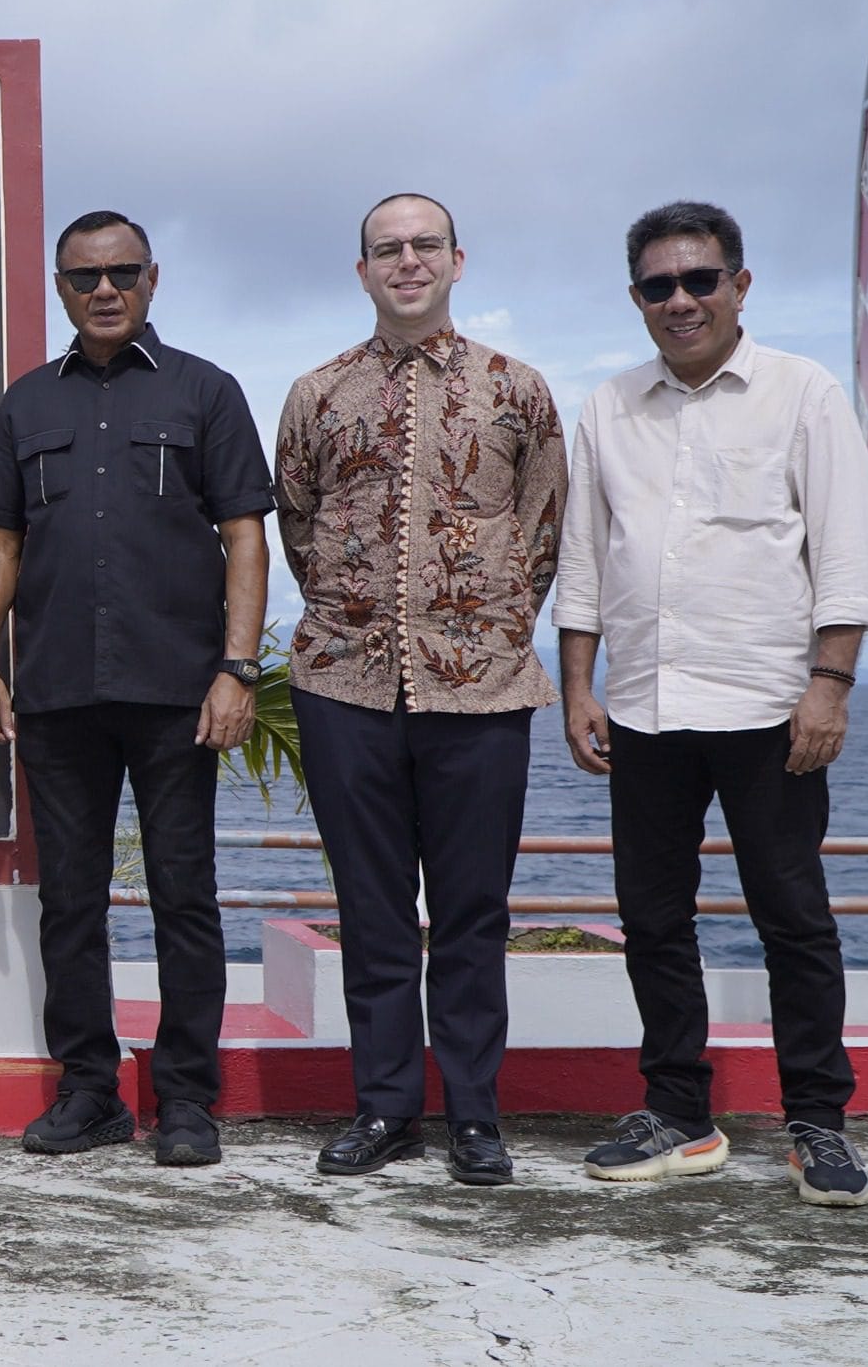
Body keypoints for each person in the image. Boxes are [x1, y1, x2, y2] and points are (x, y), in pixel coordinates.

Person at [555, 200, 868, 1207]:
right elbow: (585, 558)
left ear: (739, 286)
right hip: (644, 706)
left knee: (793, 918)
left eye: (699, 279)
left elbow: (849, 547)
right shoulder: (609, 406)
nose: (681, 300)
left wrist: (829, 685)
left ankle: (817, 1123)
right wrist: (577, 685)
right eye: (659, 285)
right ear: (636, 298)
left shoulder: (803, 392)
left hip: (769, 705)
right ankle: (678, 1114)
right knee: (652, 918)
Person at [0, 209, 272, 1169]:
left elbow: (245, 536)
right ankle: (90, 1091)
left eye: (122, 272)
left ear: (151, 279)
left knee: (185, 896)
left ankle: (186, 1099)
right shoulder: (26, 405)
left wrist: (237, 667)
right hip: (57, 691)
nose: (105, 290)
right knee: (70, 901)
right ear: (60, 288)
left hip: (179, 690)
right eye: (84, 276)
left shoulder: (205, 392)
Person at [275, 193, 566, 1187]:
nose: (408, 261)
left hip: (481, 688)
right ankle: (386, 1106)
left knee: (474, 911)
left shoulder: (516, 389)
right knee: (372, 909)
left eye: (424, 245)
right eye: (387, 248)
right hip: (343, 683)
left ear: (456, 260)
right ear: (362, 270)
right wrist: (359, 614)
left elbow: (542, 528)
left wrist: (478, 624)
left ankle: (474, 1114)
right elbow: (298, 524)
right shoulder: (316, 393)